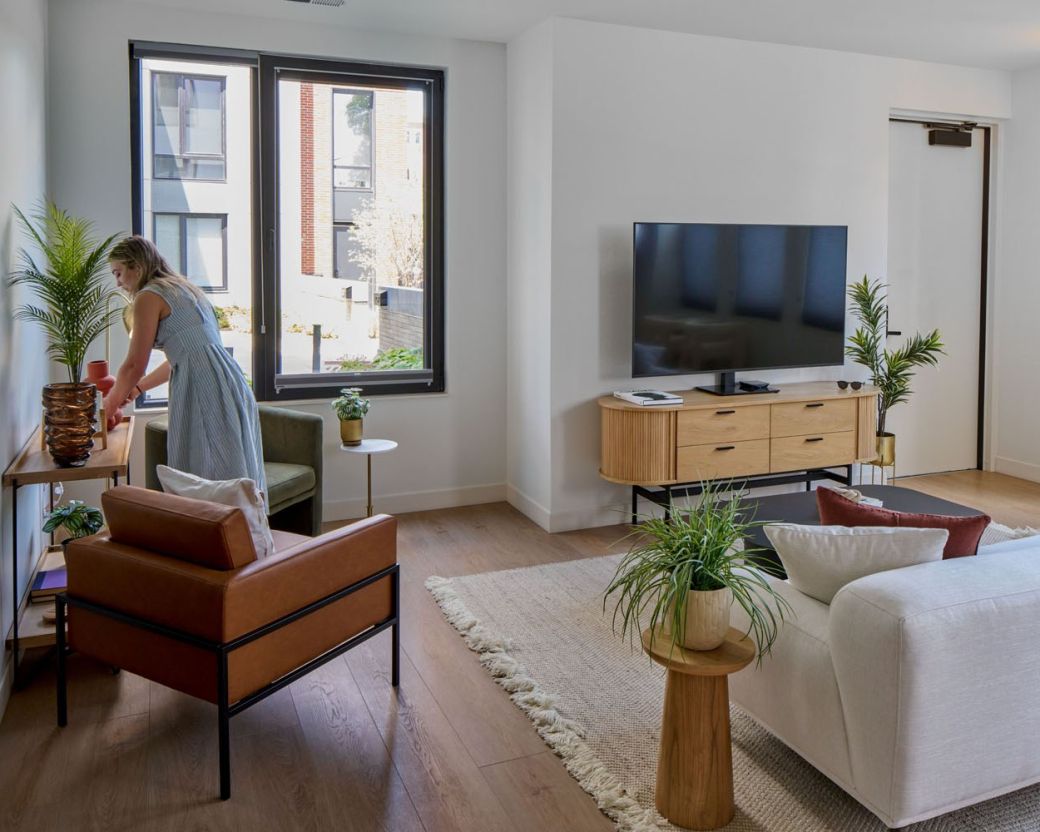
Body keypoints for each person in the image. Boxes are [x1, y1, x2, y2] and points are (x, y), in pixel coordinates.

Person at [103, 236, 266, 497]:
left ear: (137, 267)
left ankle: (209, 534)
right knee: (232, 471)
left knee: (205, 477)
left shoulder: (148, 296)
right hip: (230, 383)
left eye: (119, 273)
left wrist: (107, 407)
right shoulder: (186, 290)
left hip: (204, 387)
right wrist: (136, 390)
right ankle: (242, 533)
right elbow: (182, 356)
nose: (118, 283)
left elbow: (134, 364)